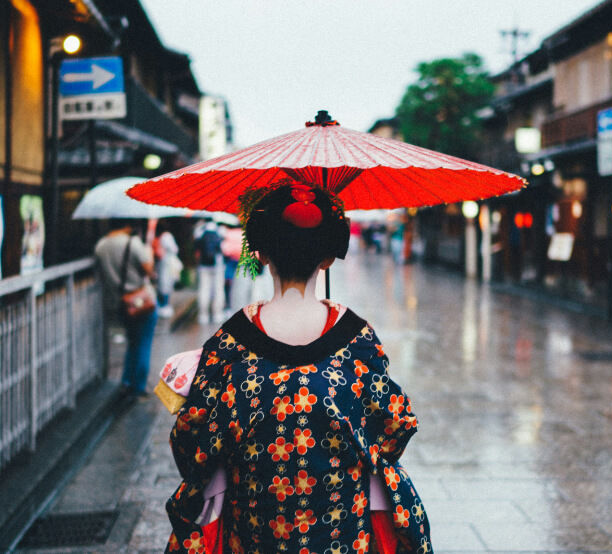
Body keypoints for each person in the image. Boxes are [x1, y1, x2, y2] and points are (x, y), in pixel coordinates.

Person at [165, 182, 432, 552]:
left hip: (256, 531)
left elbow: (191, 442)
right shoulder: (357, 339)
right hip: (341, 529)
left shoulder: (231, 343)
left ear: (259, 253)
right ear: (327, 258)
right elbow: (395, 427)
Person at [94, 219, 158, 397]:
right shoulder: (133, 243)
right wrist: (149, 253)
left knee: (132, 341)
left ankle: (127, 381)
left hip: (119, 303)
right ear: (127, 225)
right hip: (140, 302)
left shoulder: (101, 246)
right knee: (143, 343)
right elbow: (149, 271)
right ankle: (139, 387)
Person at [194, 220, 226, 324]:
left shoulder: (199, 231)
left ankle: (204, 315)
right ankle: (217, 314)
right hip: (218, 265)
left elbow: (196, 249)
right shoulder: (221, 230)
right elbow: (223, 249)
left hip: (203, 265)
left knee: (204, 289)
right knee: (218, 289)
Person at [156, 222, 181, 318]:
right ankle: (164, 305)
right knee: (166, 284)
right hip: (167, 263)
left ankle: (163, 305)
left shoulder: (162, 237)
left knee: (163, 284)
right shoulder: (167, 236)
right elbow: (175, 249)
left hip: (164, 263)